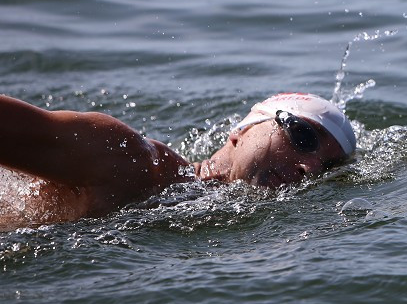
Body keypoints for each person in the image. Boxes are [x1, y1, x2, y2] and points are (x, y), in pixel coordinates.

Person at [0, 92, 355, 229]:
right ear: (241, 131)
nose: (309, 168)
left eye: (326, 168)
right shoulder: (126, 158)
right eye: (303, 137)